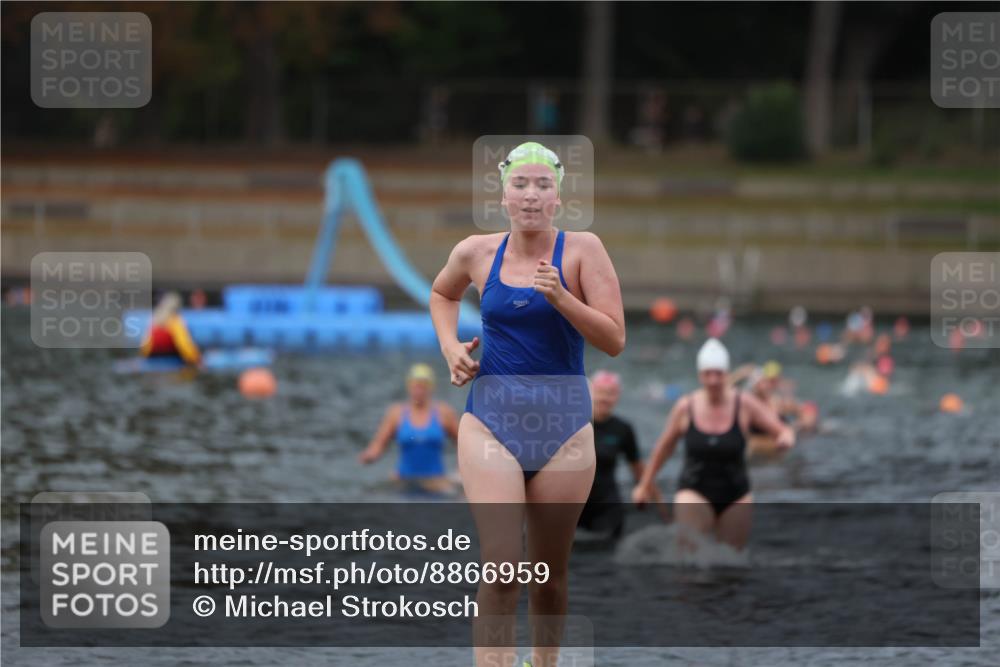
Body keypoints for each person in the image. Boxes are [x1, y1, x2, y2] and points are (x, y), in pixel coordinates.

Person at [429, 141, 625, 667]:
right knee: (501, 567)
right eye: (521, 184)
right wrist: (450, 347)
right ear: (504, 194)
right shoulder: (476, 252)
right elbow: (442, 294)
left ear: (558, 198)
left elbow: (614, 340)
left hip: (565, 429)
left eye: (543, 186)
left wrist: (563, 299)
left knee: (548, 577)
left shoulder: (584, 251)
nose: (532, 195)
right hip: (490, 420)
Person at [632, 339, 794, 552]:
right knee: (690, 561)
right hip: (694, 490)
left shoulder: (744, 403)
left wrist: (786, 438)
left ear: (727, 374)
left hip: (736, 494)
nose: (714, 380)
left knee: (730, 565)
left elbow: (782, 429)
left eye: (719, 374)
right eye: (708, 374)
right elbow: (664, 447)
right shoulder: (686, 406)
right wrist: (645, 485)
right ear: (700, 375)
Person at [578, 370, 664, 540]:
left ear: (618, 396)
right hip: (574, 502)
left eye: (611, 394)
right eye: (601, 393)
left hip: (606, 504)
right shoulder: (574, 423)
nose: (605, 398)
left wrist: (661, 508)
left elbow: (638, 469)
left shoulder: (622, 429)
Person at [357, 363, 460, 495]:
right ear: (409, 386)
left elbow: (462, 443)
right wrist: (368, 456)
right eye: (415, 386)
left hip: (435, 483)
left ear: (431, 388)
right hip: (404, 482)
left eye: (423, 386)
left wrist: (460, 470)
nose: (418, 390)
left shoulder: (444, 413)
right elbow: (378, 445)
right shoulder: (396, 413)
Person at [140, 291, 201, 366]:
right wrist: (196, 359)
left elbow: (145, 347)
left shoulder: (154, 320)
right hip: (173, 361)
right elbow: (184, 346)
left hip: (153, 360)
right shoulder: (175, 321)